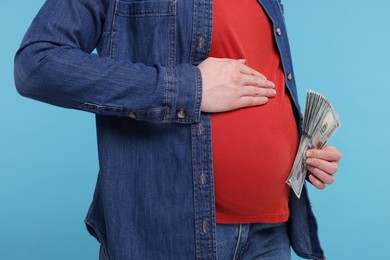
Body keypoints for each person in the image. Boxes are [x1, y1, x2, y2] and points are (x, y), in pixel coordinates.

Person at [14, 0, 341, 259]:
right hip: (171, 234)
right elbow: (38, 63)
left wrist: (298, 148)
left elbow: (260, 79)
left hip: (271, 231)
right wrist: (189, 86)